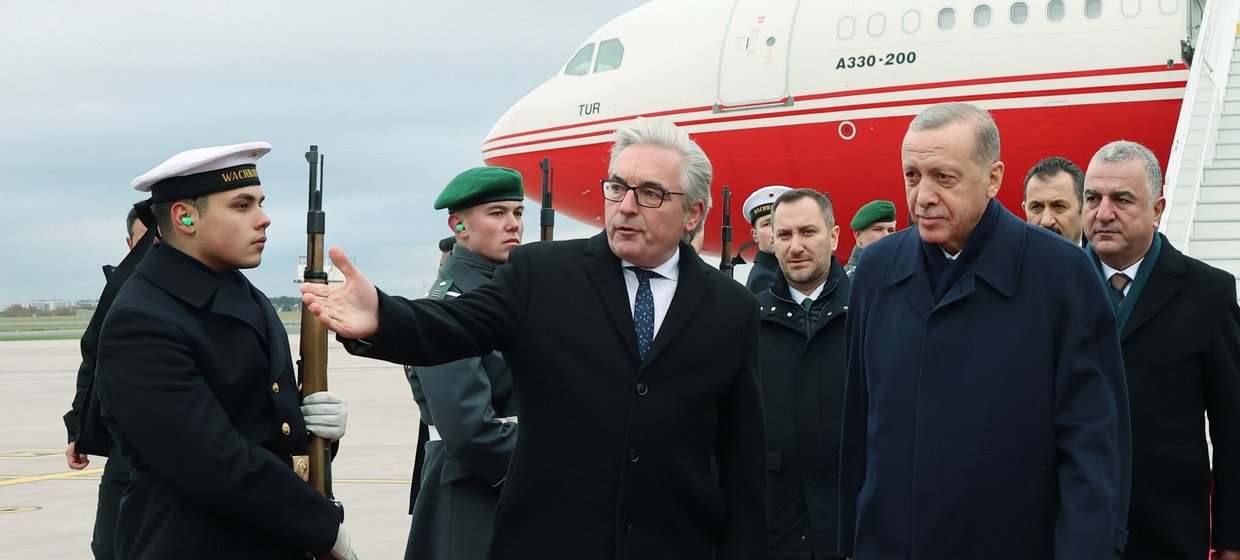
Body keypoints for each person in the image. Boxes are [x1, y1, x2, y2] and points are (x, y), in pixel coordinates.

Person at [302, 117, 766, 560]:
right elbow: (454, 324)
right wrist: (381, 316)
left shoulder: (732, 309)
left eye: (650, 194)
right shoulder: (543, 274)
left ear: (693, 213)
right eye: (617, 187)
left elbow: (742, 465)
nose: (625, 206)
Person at [839, 102, 1131, 558]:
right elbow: (858, 428)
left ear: (993, 179)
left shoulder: (1062, 274)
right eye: (912, 176)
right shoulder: (876, 269)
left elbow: (1092, 443)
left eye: (944, 177)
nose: (923, 196)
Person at [94, 142, 358, 560]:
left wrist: (314, 429)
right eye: (241, 205)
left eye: (260, 203)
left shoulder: (242, 294)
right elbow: (212, 464)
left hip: (269, 535)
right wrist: (322, 529)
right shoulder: (142, 320)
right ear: (184, 217)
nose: (264, 218)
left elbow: (265, 425)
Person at [1082, 140, 1240, 560]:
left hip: (1168, 534)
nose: (1103, 213)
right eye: (1092, 198)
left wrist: (1231, 538)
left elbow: (1232, 427)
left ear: (1157, 209)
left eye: (1121, 200)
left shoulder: (1208, 294)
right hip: (1069, 529)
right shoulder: (1052, 287)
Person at [403, 166, 524, 560]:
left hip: (514, 491)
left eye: (518, 212)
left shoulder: (512, 294)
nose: (513, 224)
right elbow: (469, 430)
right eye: (497, 213)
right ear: (459, 226)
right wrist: (554, 455)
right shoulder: (446, 309)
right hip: (473, 496)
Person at [758, 188, 849, 560]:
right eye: (784, 234)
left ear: (834, 236)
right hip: (777, 533)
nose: (795, 246)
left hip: (851, 529)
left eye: (808, 232)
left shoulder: (868, 313)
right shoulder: (748, 321)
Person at [63, 205, 152, 560]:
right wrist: (79, 430)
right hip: (124, 447)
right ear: (129, 243)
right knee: (109, 547)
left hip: (180, 446)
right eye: (144, 240)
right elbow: (92, 362)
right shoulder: (119, 292)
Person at [1023, 155, 1085, 245]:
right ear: (1025, 209)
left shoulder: (1103, 253)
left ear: (1084, 209)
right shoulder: (1007, 253)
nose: (1046, 221)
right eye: (1036, 207)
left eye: (1059, 206)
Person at [742, 185, 792, 294]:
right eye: (767, 224)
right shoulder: (763, 279)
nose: (775, 230)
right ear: (755, 235)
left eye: (780, 221)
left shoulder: (784, 270)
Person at [842, 199, 897, 278]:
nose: (886, 235)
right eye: (878, 229)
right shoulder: (852, 278)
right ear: (858, 236)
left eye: (891, 230)